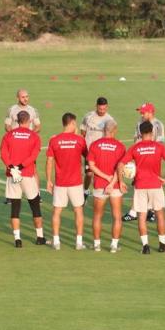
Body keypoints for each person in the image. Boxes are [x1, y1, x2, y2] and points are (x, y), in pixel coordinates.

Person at [120, 121, 165, 254]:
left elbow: (121, 164)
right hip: (156, 185)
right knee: (160, 215)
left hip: (140, 186)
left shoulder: (135, 148)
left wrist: (121, 181)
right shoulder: (159, 147)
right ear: (152, 132)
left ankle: (145, 247)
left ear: (140, 132)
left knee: (141, 216)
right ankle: (162, 245)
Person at [0, 110, 45, 247]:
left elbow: (3, 153)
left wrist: (12, 167)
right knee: (35, 205)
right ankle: (40, 237)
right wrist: (21, 166)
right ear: (29, 120)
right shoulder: (34, 136)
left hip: (13, 175)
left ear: (17, 121)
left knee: (15, 207)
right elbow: (33, 156)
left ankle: (17, 240)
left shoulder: (8, 135)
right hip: (27, 174)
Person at [46, 113, 88, 250]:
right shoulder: (79, 140)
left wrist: (48, 180)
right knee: (78, 211)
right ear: (72, 123)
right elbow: (87, 157)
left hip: (60, 182)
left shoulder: (54, 140)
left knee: (57, 211)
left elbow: (49, 161)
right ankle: (79, 242)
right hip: (76, 182)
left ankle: (56, 241)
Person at [87, 120, 127, 253]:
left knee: (97, 216)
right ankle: (114, 246)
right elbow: (120, 168)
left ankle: (97, 245)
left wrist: (105, 178)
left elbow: (92, 166)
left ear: (104, 130)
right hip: (115, 186)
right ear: (114, 130)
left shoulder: (94, 145)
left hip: (99, 185)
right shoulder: (120, 146)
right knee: (117, 216)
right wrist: (112, 182)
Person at [122, 102, 165, 222]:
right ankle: (135, 211)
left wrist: (150, 152)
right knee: (138, 182)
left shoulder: (158, 125)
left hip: (152, 158)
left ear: (151, 112)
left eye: (143, 112)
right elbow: (136, 140)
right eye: (141, 111)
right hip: (140, 156)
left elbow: (160, 143)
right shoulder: (139, 123)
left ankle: (149, 211)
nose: (141, 114)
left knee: (152, 184)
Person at [80, 97, 116, 199]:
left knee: (102, 174)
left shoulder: (110, 120)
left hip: (103, 151)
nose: (102, 111)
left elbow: (112, 136)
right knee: (89, 174)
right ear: (96, 106)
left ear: (107, 107)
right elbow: (83, 131)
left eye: (104, 109)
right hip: (89, 151)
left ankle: (101, 194)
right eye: (100, 109)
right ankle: (85, 190)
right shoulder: (88, 116)